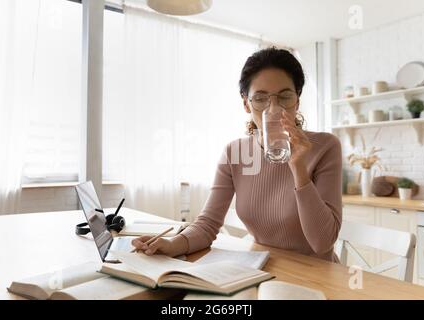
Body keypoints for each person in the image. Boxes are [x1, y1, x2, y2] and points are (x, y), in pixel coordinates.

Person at [132, 47, 342, 262]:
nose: (273, 109)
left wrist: (298, 168)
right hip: (263, 268)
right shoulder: (235, 152)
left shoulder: (325, 147)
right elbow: (207, 225)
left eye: (284, 97)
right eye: (260, 99)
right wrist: (170, 244)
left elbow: (323, 242)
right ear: (246, 104)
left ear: (296, 101)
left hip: (318, 276)